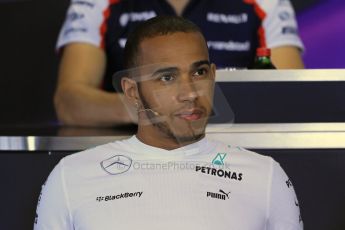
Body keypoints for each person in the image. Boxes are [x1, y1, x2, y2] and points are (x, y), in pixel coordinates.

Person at [35, 16, 303, 229]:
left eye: (198, 73)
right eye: (166, 78)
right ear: (132, 92)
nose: (189, 93)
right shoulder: (71, 177)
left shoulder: (266, 176)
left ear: (212, 75)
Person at [54, 0, 305, 127]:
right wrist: (146, 108)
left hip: (235, 159)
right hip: (131, 163)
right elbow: (69, 102)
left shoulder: (267, 3)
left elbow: (293, 98)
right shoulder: (97, 3)